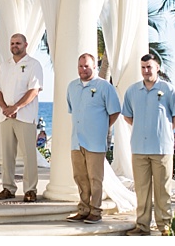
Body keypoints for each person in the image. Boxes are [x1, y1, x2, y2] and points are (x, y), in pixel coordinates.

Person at [122, 54, 175, 236]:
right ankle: (142, 226)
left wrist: (165, 129)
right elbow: (127, 115)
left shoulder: (168, 89)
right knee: (141, 191)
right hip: (139, 149)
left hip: (162, 149)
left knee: (163, 190)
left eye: (149, 67)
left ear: (157, 67)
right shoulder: (132, 91)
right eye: (143, 67)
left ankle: (165, 227)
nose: (146, 71)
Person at [65, 53, 121, 224]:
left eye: (87, 66)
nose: (83, 69)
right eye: (80, 66)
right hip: (77, 140)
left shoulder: (104, 87)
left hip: (95, 142)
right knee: (80, 177)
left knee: (95, 178)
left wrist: (102, 128)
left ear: (94, 67)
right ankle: (83, 209)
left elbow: (115, 111)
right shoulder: (72, 87)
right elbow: (72, 110)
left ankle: (96, 211)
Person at [0, 33, 43, 202]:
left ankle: (30, 190)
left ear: (25, 44)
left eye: (18, 43)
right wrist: (6, 108)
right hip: (6, 117)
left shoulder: (33, 65)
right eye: (12, 43)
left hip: (26, 117)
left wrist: (16, 107)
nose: (15, 45)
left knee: (29, 154)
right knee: (7, 154)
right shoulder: (4, 66)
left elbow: (33, 91)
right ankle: (8, 188)